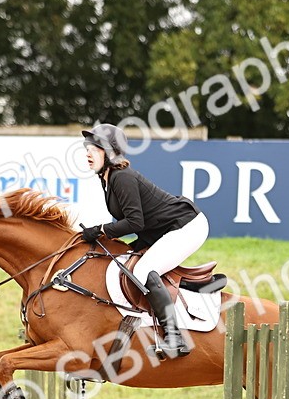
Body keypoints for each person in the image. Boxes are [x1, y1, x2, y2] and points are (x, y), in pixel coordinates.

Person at [79, 122, 208, 359]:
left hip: (187, 226)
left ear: (109, 153)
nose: (88, 153)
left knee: (144, 270)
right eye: (87, 148)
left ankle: (175, 338)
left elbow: (135, 222)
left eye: (94, 149)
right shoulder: (108, 178)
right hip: (162, 230)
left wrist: (100, 230)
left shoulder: (121, 177)